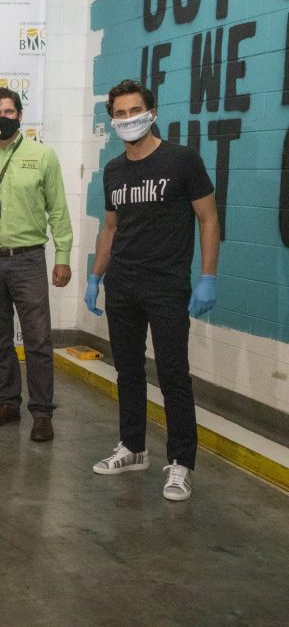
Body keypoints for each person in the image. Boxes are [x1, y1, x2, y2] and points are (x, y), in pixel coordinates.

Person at [85, 79, 219, 501]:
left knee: (173, 375)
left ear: (152, 112)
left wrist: (209, 276)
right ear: (113, 120)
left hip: (165, 286)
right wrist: (95, 275)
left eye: (134, 111)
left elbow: (208, 219)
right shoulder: (114, 170)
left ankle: (180, 463)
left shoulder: (183, 161)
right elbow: (110, 227)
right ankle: (133, 447)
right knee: (127, 372)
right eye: (120, 114)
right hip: (122, 285)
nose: (127, 119)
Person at [0, 87, 73, 442]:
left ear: (20, 116)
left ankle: (41, 412)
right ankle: (8, 403)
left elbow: (58, 209)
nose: (2, 117)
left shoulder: (43, 156)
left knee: (37, 339)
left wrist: (63, 256)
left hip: (28, 259)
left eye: (8, 111)